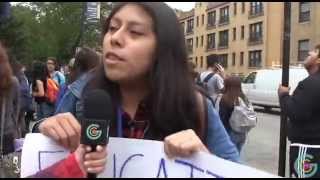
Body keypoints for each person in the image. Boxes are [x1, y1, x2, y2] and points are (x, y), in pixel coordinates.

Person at [32, 2, 239, 178]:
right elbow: (41, 153)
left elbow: (237, 170)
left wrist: (206, 163)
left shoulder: (195, 106)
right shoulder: (81, 95)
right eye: (112, 28)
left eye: (135, 32)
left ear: (163, 49)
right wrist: (46, 129)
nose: (115, 38)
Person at [278, 44, 320, 178]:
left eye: (314, 51)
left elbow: (296, 112)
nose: (309, 52)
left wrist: (283, 95)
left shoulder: (311, 83)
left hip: (308, 148)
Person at [215, 76, 253, 154]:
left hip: (229, 133)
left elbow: (222, 119)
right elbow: (249, 109)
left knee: (228, 158)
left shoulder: (224, 98)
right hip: (241, 133)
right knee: (237, 156)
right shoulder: (242, 96)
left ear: (226, 85)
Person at [0, 42, 21, 177]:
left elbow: (16, 110)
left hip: (6, 137)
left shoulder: (11, 82)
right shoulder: (13, 82)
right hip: (7, 134)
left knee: (8, 172)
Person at [10, 60, 32, 137]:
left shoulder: (15, 77)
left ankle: (17, 139)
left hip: (18, 103)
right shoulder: (22, 76)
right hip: (23, 103)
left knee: (16, 123)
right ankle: (21, 138)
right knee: (20, 122)